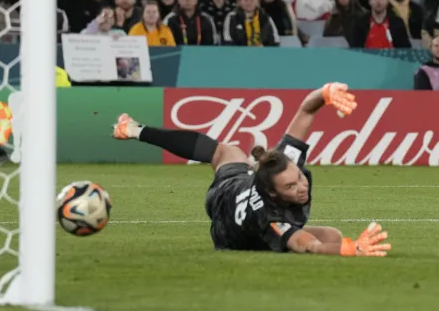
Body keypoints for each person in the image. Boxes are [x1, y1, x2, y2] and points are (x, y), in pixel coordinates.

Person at [112, 84, 391, 257]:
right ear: (272, 192)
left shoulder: (285, 162)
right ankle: (135, 129)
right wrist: (351, 249)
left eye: (297, 178)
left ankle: (134, 129)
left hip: (237, 188)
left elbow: (306, 111)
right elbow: (309, 246)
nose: (301, 187)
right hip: (226, 222)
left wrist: (325, 93)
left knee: (226, 151)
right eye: (290, 187)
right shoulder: (270, 217)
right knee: (328, 243)